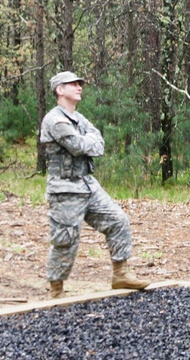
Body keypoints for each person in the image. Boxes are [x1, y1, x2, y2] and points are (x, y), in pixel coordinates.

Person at [39, 71, 149, 299]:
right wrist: (89, 142)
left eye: (80, 84)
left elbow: (98, 142)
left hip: (88, 185)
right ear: (60, 90)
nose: (79, 87)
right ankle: (56, 290)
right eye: (73, 84)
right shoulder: (55, 119)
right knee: (65, 239)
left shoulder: (78, 118)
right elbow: (78, 146)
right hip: (65, 189)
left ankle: (120, 275)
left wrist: (89, 142)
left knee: (118, 220)